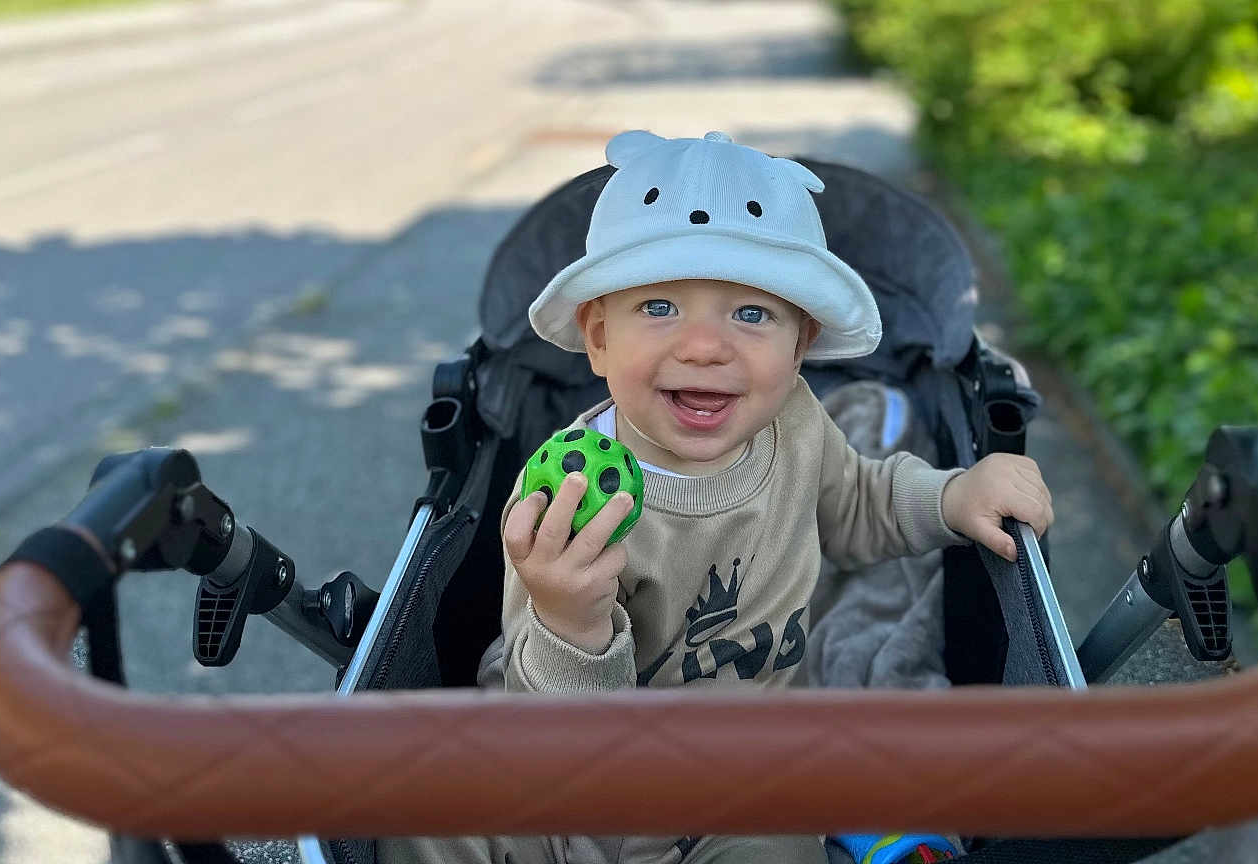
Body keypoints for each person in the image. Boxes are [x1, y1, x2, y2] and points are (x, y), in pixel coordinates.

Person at [381, 129, 1053, 864]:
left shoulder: (798, 425)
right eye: (659, 307)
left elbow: (861, 502)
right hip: (563, 770)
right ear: (598, 337)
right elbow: (549, 718)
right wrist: (568, 617)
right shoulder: (566, 493)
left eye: (751, 314)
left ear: (800, 347)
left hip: (737, 774)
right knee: (425, 817)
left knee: (781, 852)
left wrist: (954, 495)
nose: (704, 346)